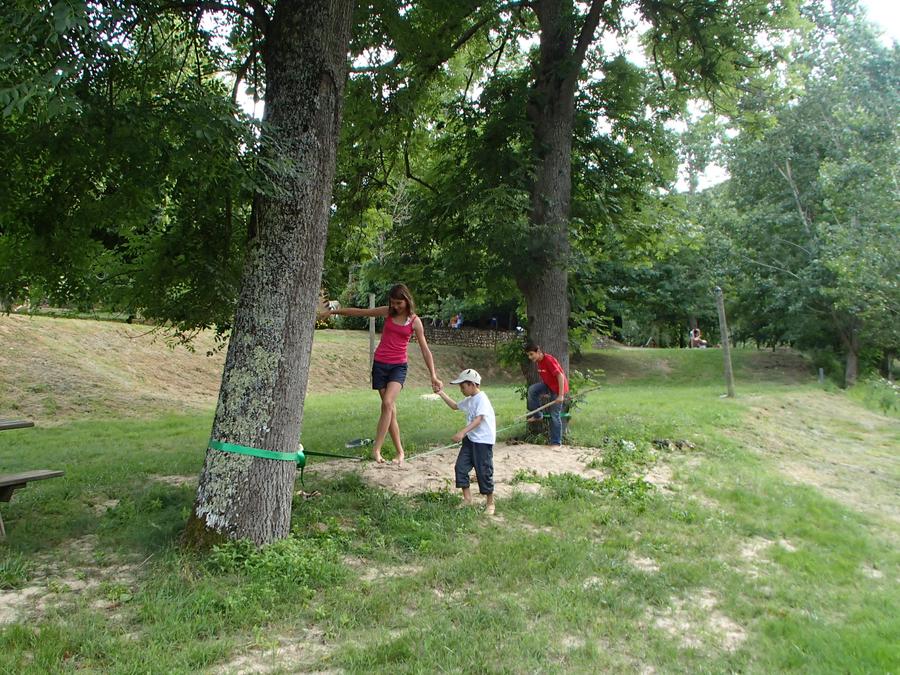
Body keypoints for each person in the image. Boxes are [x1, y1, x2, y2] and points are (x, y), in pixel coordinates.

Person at [319, 284, 442, 465]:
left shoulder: (414, 321)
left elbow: (425, 350)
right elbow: (361, 312)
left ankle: (376, 449)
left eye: (399, 303)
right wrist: (334, 312)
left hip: (398, 367)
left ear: (407, 301)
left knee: (387, 403)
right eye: (393, 303)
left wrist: (433, 375)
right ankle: (400, 452)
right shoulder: (387, 312)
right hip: (380, 365)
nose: (395, 306)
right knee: (390, 410)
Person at [436, 368, 496, 515]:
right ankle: (467, 499)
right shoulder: (470, 400)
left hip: (483, 442)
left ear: (472, 384)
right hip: (470, 440)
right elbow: (454, 406)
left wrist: (462, 432)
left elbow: (479, 419)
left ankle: (490, 503)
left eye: (463, 386)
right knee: (460, 468)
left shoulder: (482, 399)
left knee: (484, 471)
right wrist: (441, 393)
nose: (461, 390)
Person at [523, 342, 569, 449]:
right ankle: (538, 415)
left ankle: (556, 443)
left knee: (554, 415)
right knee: (532, 390)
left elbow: (560, 376)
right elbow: (547, 377)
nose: (530, 357)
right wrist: (547, 392)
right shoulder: (539, 362)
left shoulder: (549, 360)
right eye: (528, 355)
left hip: (558, 389)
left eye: (531, 354)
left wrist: (560, 395)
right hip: (550, 387)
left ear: (538, 352)